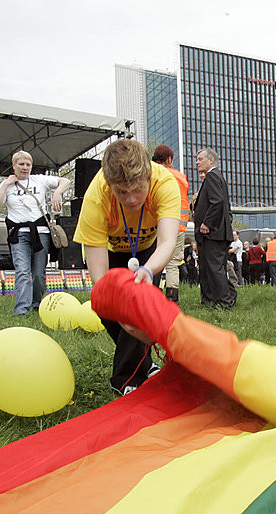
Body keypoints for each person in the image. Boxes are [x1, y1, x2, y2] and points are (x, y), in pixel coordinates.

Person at [73, 138, 181, 393]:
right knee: (109, 309)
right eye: (121, 192)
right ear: (109, 184)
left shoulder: (165, 183)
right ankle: (144, 364)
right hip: (110, 252)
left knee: (138, 307)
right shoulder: (96, 195)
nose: (131, 200)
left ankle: (124, 380)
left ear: (148, 178)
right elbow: (100, 280)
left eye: (137, 190)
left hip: (147, 251)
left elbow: (167, 242)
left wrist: (147, 270)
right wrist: (114, 306)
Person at [0, 150, 70, 316]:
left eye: (28, 164)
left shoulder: (39, 180)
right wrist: (6, 184)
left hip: (40, 233)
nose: (25, 167)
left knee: (39, 274)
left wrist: (57, 192)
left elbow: (65, 180)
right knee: (22, 272)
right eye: (21, 164)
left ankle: (37, 305)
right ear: (14, 166)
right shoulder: (8, 185)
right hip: (18, 234)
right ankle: (21, 310)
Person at [191, 148, 236, 309]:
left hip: (213, 233)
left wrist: (207, 223)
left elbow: (217, 202)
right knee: (213, 268)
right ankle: (216, 299)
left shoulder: (212, 177)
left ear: (211, 160)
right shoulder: (215, 178)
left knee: (215, 269)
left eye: (200, 158)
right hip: (216, 233)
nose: (197, 162)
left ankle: (225, 302)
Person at [151, 144, 190, 303]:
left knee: (155, 258)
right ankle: (172, 298)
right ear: (169, 159)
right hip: (179, 225)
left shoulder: (152, 173)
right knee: (173, 263)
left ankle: (153, 294)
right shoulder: (181, 178)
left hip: (157, 224)